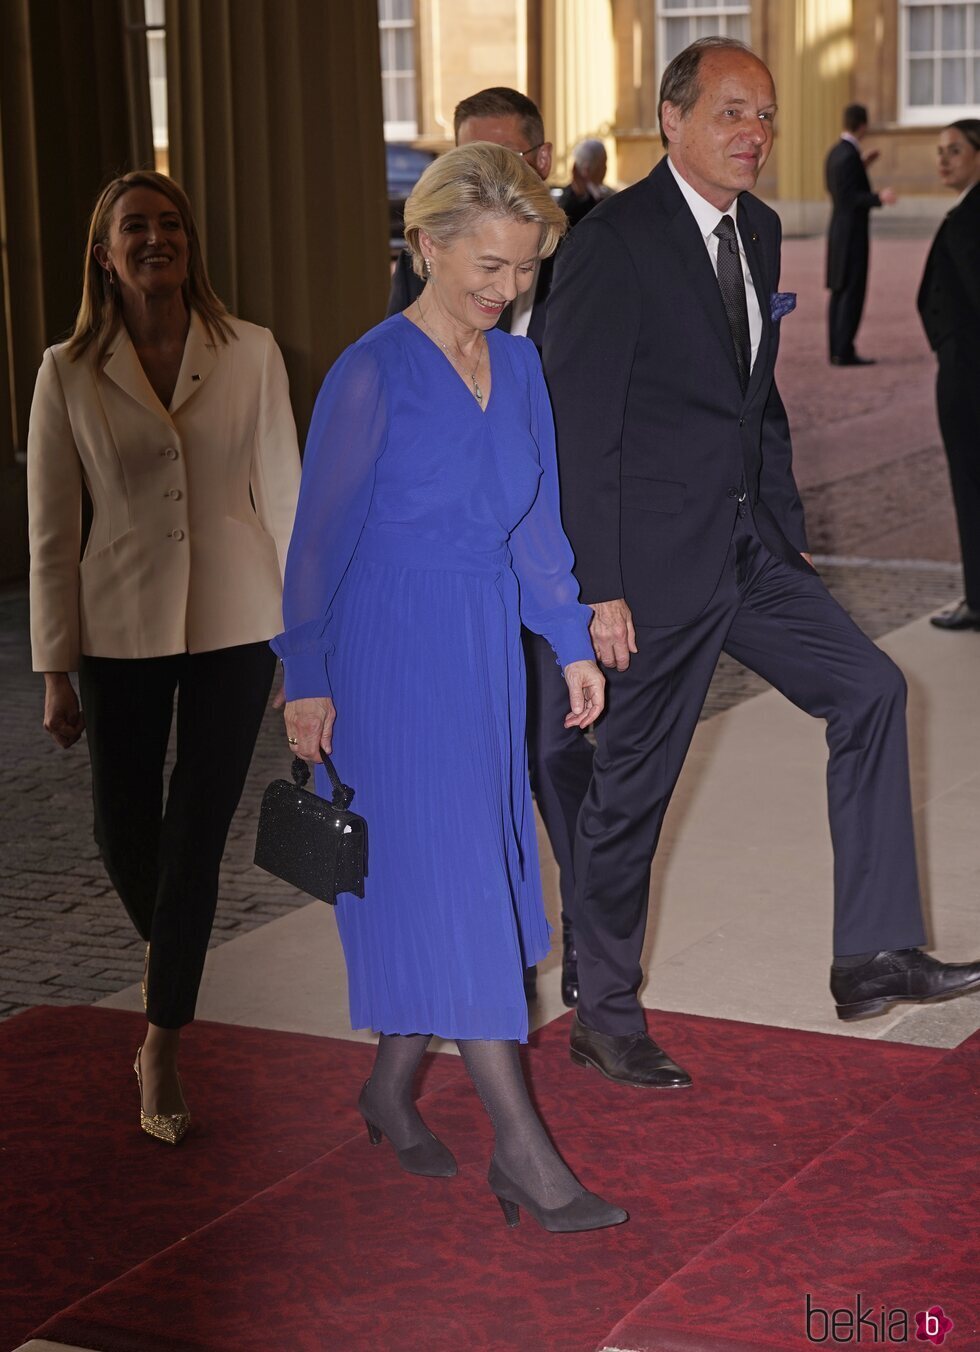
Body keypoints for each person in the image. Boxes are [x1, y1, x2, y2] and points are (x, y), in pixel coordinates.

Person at [544, 37, 980, 1090]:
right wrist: (595, 584)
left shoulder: (756, 227)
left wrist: (780, 526)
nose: (754, 134)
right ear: (673, 120)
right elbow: (577, 427)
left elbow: (754, 396)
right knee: (630, 792)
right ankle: (602, 1009)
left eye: (765, 116)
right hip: (644, 572)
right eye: (733, 112)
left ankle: (870, 953)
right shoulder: (613, 243)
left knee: (870, 687)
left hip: (745, 549)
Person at [274, 142, 625, 1233]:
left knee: (457, 872)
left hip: (478, 654)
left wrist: (568, 640)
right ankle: (523, 1154)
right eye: (485, 263)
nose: (503, 288)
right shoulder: (370, 370)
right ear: (423, 243)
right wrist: (307, 675)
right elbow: (316, 543)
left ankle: (389, 1085)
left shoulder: (518, 371)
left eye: (521, 268)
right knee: (463, 889)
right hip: (385, 656)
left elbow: (534, 530)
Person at [27, 170, 301, 1144]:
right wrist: (54, 667)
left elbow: (285, 491)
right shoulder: (65, 370)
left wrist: (304, 640)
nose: (156, 238)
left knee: (195, 832)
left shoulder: (251, 351)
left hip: (236, 617)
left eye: (170, 224)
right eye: (135, 227)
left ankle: (162, 1039)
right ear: (103, 253)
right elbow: (52, 530)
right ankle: (175, 964)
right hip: (116, 625)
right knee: (119, 828)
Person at [387, 86, 594, 1009]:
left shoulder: (585, 266)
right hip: (440, 604)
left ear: (539, 165)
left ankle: (591, 945)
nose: (481, 187)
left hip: (548, 572)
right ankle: (487, 983)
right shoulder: (405, 316)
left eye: (501, 166)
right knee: (471, 800)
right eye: (462, 169)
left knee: (554, 764)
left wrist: (588, 604)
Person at [917, 119, 980, 632]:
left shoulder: (967, 219)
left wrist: (948, 343)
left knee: (971, 481)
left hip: (967, 372)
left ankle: (979, 599)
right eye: (939, 151)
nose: (943, 160)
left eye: (954, 151)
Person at [825, 103, 897, 366]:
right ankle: (844, 350)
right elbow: (851, 196)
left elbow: (841, 185)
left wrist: (862, 164)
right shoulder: (848, 156)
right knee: (852, 291)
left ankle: (836, 347)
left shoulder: (837, 153)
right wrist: (880, 197)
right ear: (863, 125)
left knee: (838, 289)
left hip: (839, 229)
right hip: (852, 233)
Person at [556, 139, 613, 228]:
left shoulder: (603, 193)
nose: (606, 168)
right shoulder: (572, 199)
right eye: (603, 164)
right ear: (588, 168)